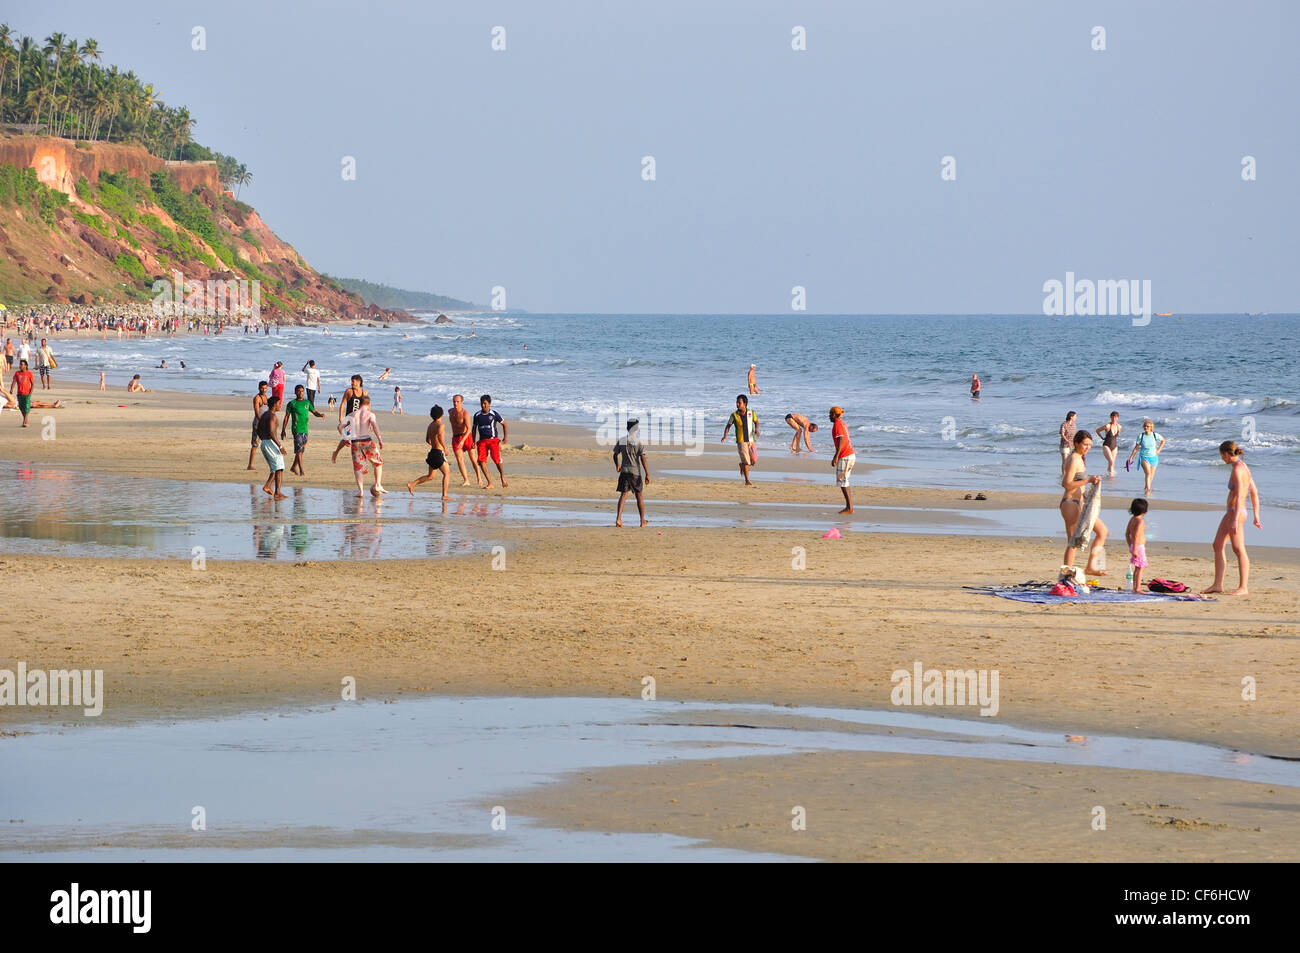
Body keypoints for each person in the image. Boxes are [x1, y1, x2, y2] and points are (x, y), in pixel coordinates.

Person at [1203, 440, 1261, 596]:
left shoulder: (1237, 470)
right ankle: (1217, 585)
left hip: (1236, 513)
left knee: (1238, 549)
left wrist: (1235, 519)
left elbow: (1242, 494)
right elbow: (1254, 492)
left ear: (1226, 454)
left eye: (1222, 455)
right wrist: (1256, 515)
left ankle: (1243, 587)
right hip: (1232, 512)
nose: (1222, 459)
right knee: (1217, 544)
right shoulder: (1244, 467)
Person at [1060, 430, 1108, 574]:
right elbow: (1066, 484)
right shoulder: (1074, 459)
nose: (1087, 447)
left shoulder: (1080, 458)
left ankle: (1090, 566)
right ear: (1076, 443)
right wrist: (1088, 480)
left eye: (1090, 445)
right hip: (1070, 503)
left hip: (1079, 504)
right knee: (1073, 542)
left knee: (1102, 531)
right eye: (1085, 444)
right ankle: (1067, 575)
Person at [406, 405, 452, 500]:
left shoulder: (430, 425)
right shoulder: (441, 425)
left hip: (432, 452)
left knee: (430, 476)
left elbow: (427, 440)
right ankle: (444, 495)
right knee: (447, 473)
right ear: (442, 415)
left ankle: (412, 484)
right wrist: (444, 448)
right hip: (438, 453)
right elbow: (439, 436)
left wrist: (434, 445)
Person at [345, 394, 386, 497]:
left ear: (359, 404)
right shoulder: (370, 414)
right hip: (367, 441)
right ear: (369, 404)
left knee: (358, 467)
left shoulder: (352, 414)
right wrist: (380, 439)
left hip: (355, 442)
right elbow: (375, 426)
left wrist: (347, 438)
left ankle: (361, 491)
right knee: (378, 463)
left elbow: (344, 427)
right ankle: (378, 484)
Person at [281, 384, 326, 476]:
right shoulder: (292, 403)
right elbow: (286, 417)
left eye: (302, 391)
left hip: (305, 430)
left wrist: (320, 415)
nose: (300, 393)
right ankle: (301, 470)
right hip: (296, 429)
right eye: (299, 391)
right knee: (299, 451)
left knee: (301, 450)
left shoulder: (307, 403)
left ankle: (293, 467)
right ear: (295, 392)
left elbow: (314, 412)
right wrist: (283, 430)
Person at [613, 418, 650, 527]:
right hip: (635, 472)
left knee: (623, 495)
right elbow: (643, 459)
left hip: (624, 471)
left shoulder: (622, 440)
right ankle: (642, 521)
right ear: (636, 429)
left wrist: (617, 465)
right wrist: (647, 473)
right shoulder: (638, 442)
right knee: (639, 496)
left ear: (627, 428)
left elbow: (615, 454)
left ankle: (618, 519)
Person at [472, 395, 509, 488]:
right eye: (482, 403)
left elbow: (504, 424)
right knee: (481, 461)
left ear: (489, 404)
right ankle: (490, 483)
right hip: (482, 441)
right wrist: (473, 441)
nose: (483, 405)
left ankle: (502, 476)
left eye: (485, 403)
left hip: (493, 440)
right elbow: (474, 428)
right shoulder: (477, 415)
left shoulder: (494, 414)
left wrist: (505, 437)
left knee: (496, 460)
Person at [722, 394, 758, 486]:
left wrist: (757, 429)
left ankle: (742, 465)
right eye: (737, 402)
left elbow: (756, 422)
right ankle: (747, 481)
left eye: (739, 403)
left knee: (753, 460)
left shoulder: (751, 412)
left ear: (745, 404)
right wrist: (724, 436)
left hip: (751, 440)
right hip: (741, 441)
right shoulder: (734, 415)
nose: (737, 404)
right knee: (747, 462)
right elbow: (728, 426)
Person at [256, 395, 288, 499]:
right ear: (274, 404)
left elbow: (258, 429)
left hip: (264, 442)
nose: (280, 405)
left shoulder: (265, 414)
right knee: (279, 467)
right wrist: (280, 446)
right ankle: (276, 491)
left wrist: (262, 439)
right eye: (279, 403)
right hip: (270, 442)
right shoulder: (272, 416)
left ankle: (270, 487)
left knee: (276, 467)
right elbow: (272, 432)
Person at [332, 375, 368, 464]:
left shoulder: (365, 393)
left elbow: (367, 407)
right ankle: (336, 452)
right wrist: (340, 416)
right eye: (351, 381)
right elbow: (343, 403)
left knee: (358, 440)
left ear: (359, 382)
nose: (351, 383)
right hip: (349, 420)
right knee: (346, 439)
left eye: (353, 381)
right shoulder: (349, 391)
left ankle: (361, 458)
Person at [448, 394, 482, 487]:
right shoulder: (450, 411)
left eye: (458, 401)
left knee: (473, 458)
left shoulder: (465, 413)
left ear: (462, 402)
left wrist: (463, 440)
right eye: (454, 401)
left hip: (466, 437)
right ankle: (466, 480)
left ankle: (479, 477)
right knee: (460, 459)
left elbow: (469, 429)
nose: (455, 403)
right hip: (455, 438)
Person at [1125, 419, 1165, 495]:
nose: (1146, 427)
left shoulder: (1155, 435)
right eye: (1145, 426)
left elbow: (1163, 441)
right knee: (1148, 473)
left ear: (1151, 427)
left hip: (1154, 458)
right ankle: (1148, 490)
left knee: (1151, 476)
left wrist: (1159, 450)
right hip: (1144, 457)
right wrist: (1131, 457)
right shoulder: (1141, 436)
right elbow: (1136, 448)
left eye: (1147, 426)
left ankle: (1146, 487)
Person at [829, 406, 856, 513]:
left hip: (845, 456)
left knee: (842, 481)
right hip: (850, 455)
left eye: (830, 414)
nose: (829, 416)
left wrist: (836, 456)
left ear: (835, 415)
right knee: (844, 481)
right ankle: (849, 507)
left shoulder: (838, 424)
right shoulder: (842, 424)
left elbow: (842, 440)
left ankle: (849, 508)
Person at [1126, 498, 1149, 592]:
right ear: (1144, 511)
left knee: (1138, 567)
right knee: (1141, 567)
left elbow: (1127, 534)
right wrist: (1135, 548)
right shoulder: (1140, 522)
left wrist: (1130, 545)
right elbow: (1135, 535)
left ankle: (1135, 587)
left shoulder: (1132, 519)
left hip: (1135, 546)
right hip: (1138, 547)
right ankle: (1137, 588)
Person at [246, 381, 270, 470]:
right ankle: (250, 465)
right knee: (255, 444)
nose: (263, 390)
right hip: (258, 424)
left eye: (265, 388)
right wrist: (262, 422)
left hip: (265, 423)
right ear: (258, 388)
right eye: (262, 388)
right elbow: (257, 412)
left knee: (267, 443)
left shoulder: (266, 397)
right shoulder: (257, 398)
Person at [1095, 412, 1122, 477]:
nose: (1114, 418)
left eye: (1115, 417)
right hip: (1106, 445)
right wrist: (1101, 437)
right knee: (1111, 461)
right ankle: (1110, 474)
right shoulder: (1108, 426)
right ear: (1110, 417)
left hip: (1114, 446)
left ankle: (1110, 476)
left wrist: (1118, 433)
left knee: (1112, 463)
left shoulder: (1119, 427)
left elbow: (1117, 435)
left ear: (1117, 418)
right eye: (1112, 417)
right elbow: (1097, 430)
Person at [10, 358, 34, 427]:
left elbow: (32, 384)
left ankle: (24, 421)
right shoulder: (17, 373)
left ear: (25, 366)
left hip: (27, 393)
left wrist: (30, 393)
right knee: (21, 407)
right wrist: (11, 389)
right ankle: (26, 420)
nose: (20, 366)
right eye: (20, 364)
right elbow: (14, 381)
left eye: (22, 364)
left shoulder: (29, 373)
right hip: (19, 393)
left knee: (26, 407)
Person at [1058, 411, 1078, 476]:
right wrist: (1067, 441)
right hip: (1064, 445)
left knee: (1072, 460)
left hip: (1073, 445)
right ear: (1071, 417)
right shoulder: (1064, 424)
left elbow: (1075, 435)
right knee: (1065, 461)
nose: (1076, 418)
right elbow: (1062, 434)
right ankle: (1064, 475)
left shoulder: (1074, 424)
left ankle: (1071, 473)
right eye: (1075, 416)